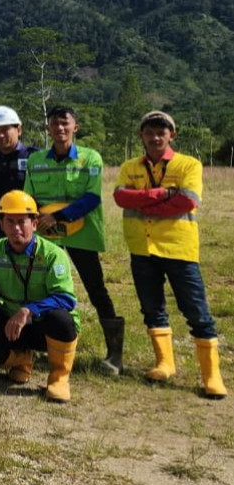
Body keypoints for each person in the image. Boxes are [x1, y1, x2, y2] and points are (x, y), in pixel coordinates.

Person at [112, 110, 225, 399]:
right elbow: (121, 197)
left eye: (161, 131)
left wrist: (144, 201)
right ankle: (165, 363)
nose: (155, 136)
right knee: (152, 307)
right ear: (141, 135)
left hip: (179, 249)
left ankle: (211, 376)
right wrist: (162, 194)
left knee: (196, 310)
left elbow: (187, 201)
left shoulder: (189, 164)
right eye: (149, 131)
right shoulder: (129, 166)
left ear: (171, 135)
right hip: (141, 248)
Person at [24, 105, 122, 375]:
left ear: (75, 127)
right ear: (48, 128)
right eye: (54, 124)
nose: (60, 128)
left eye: (65, 123)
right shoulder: (36, 161)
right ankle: (39, 344)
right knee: (40, 287)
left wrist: (59, 216)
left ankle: (114, 353)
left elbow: (91, 197)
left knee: (96, 289)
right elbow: (29, 199)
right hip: (46, 235)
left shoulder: (90, 158)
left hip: (83, 234)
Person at [0, 190, 80, 403]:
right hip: (10, 324)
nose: (16, 228)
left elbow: (66, 298)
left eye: (22, 222)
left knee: (62, 319)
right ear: (2, 224)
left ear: (34, 223)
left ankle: (59, 377)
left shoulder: (53, 255)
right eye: (10, 221)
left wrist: (29, 311)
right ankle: (21, 359)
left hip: (42, 326)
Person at [0, 106, 38, 237]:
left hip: (34, 227)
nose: (0, 135)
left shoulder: (35, 158)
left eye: (5, 129)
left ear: (19, 130)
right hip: (2, 229)